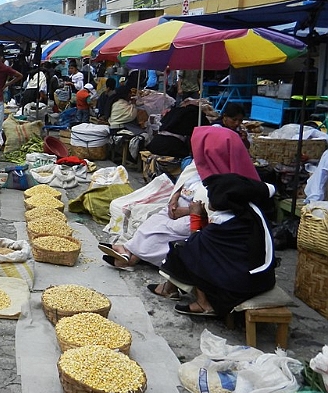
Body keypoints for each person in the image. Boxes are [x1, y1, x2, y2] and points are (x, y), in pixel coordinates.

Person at [100, 125, 260, 270]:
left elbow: (212, 211)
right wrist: (173, 200)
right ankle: (130, 252)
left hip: (195, 217)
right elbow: (181, 183)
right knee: (151, 223)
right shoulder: (198, 164)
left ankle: (130, 256)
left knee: (162, 233)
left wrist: (183, 212)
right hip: (178, 206)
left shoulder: (227, 182)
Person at [155, 173, 277, 317]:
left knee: (183, 249)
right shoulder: (248, 211)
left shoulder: (228, 221)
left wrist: (195, 216)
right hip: (259, 277)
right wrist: (204, 218)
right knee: (189, 248)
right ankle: (170, 288)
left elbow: (196, 243)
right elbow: (211, 240)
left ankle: (204, 304)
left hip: (242, 286)